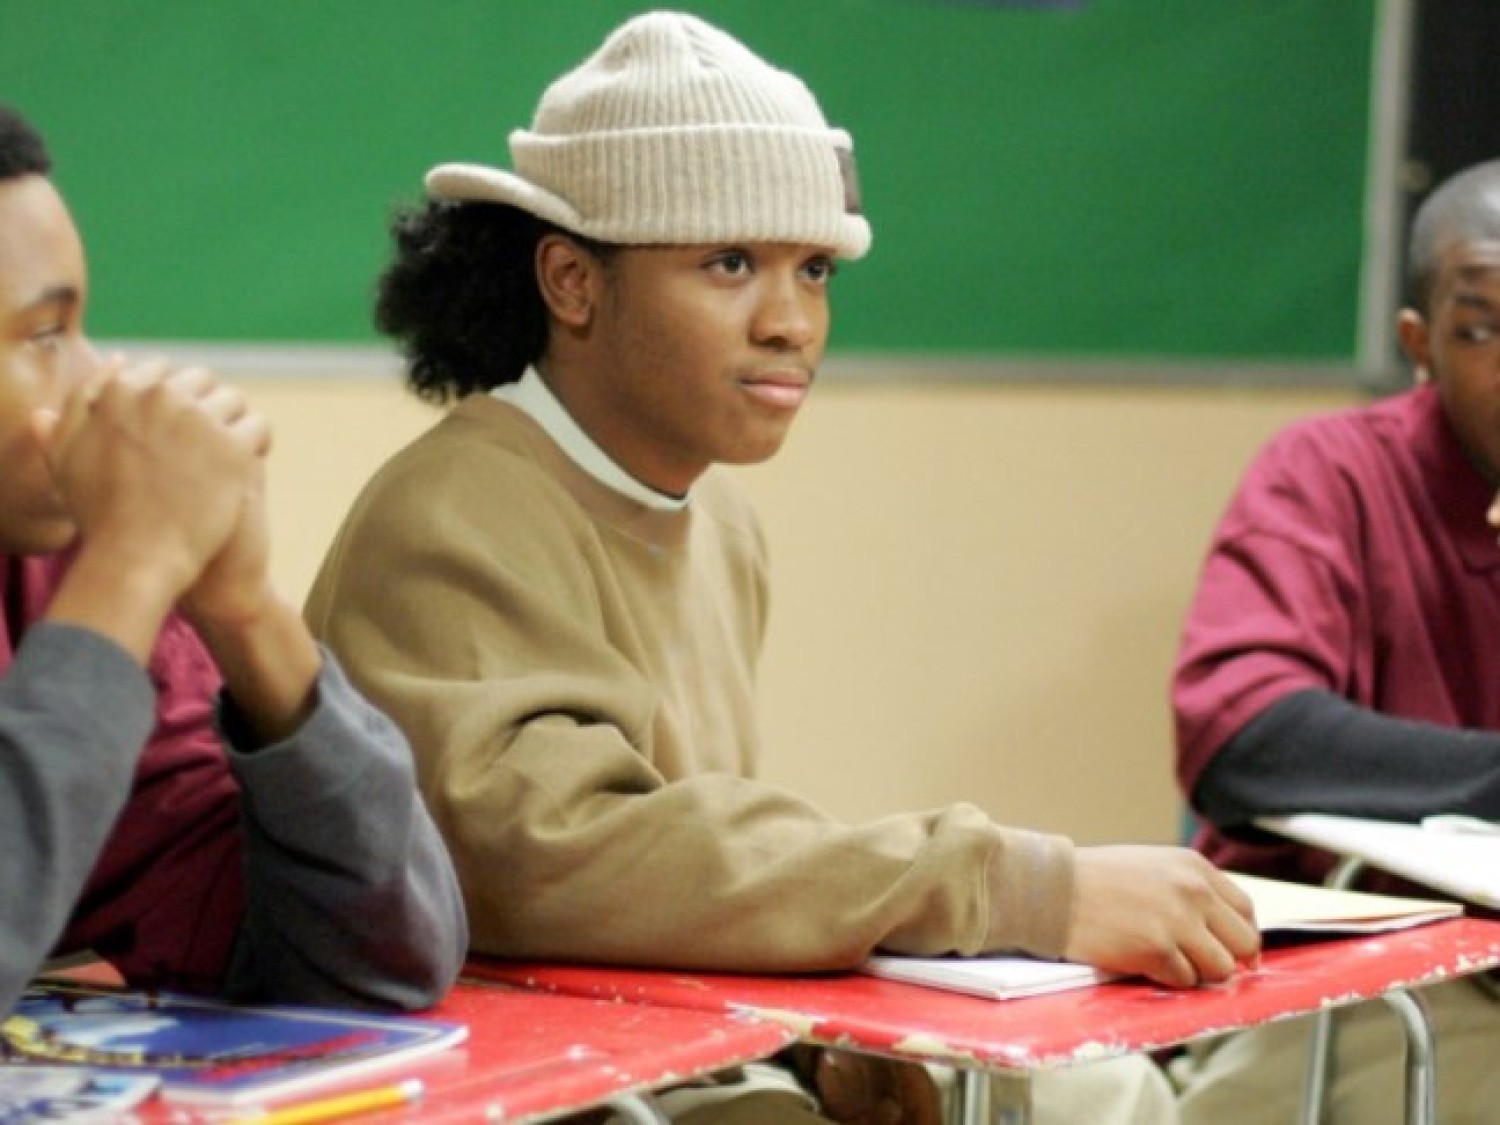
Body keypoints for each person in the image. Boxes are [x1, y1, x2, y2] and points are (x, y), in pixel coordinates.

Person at [306, 12, 1259, 1123]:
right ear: (570, 281)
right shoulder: (457, 510)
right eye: (729, 264)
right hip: (509, 1068)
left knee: (1102, 1088)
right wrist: (1011, 887)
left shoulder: (719, 517)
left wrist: (820, 1042)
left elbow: (687, 871)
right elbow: (552, 863)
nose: (791, 322)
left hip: (670, 1038)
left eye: (813, 269)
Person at [0, 104, 467, 1019]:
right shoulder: (103, 581)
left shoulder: (56, 572)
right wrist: (133, 565)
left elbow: (386, 960)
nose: (95, 379)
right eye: (44, 335)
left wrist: (245, 610)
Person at [1169, 158, 1500, 1122]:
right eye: (1484, 328)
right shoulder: (1328, 474)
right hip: (1355, 976)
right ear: (1420, 343)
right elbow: (1244, 738)